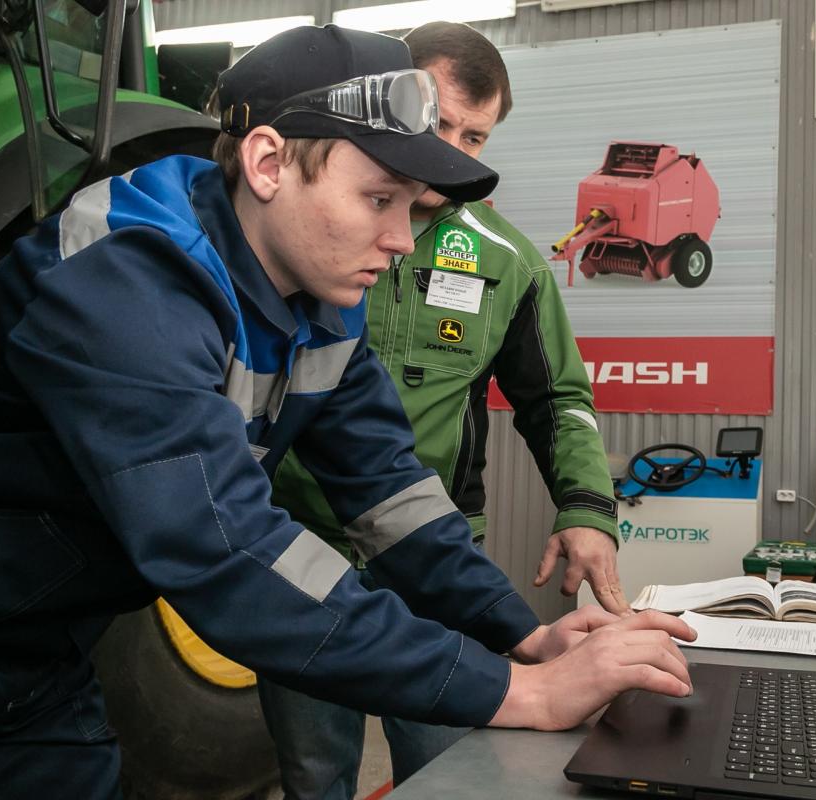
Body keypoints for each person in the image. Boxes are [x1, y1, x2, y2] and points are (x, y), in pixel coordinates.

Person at [0, 26, 695, 800]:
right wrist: (522, 694)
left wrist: (521, 632)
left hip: (31, 660)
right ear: (270, 163)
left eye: (409, 206)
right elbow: (224, 549)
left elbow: (391, 495)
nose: (401, 241)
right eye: (379, 199)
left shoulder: (318, 303)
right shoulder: (129, 280)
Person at [260, 21, 626, 794]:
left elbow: (558, 398)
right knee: (314, 767)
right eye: (440, 123)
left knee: (451, 767)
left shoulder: (510, 264)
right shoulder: (302, 235)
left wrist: (586, 507)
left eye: (476, 136)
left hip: (434, 562)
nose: (455, 151)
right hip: (301, 548)